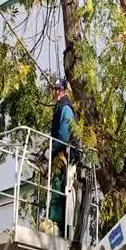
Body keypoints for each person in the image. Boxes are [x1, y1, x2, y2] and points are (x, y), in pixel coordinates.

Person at [48, 78, 76, 237]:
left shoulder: (65, 109)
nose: (56, 92)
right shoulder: (60, 107)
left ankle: (56, 227)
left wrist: (52, 150)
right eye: (55, 89)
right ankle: (55, 226)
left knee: (58, 192)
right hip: (59, 155)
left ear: (65, 90)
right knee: (56, 192)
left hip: (63, 157)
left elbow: (63, 136)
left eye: (59, 89)